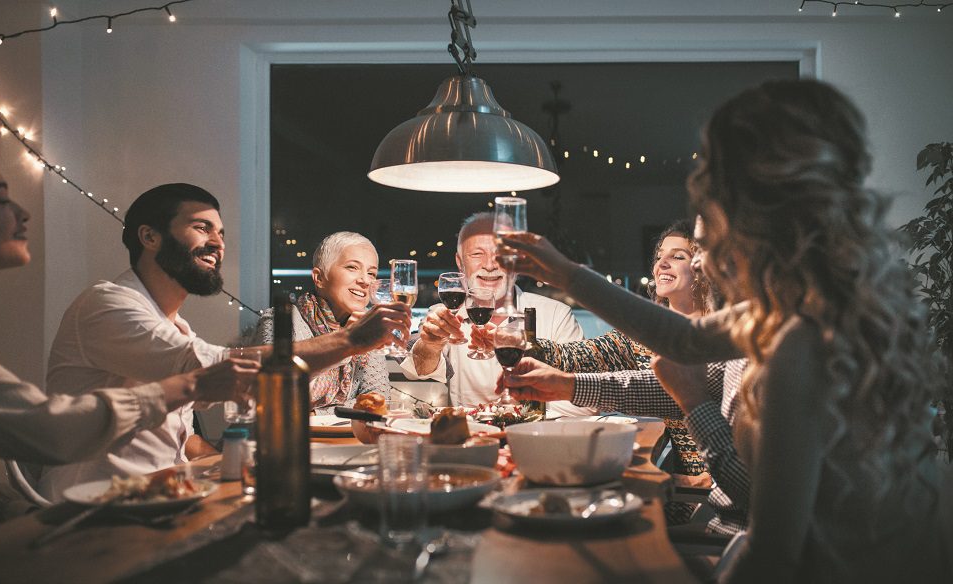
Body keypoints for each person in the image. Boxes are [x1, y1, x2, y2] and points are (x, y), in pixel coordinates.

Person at [500, 80, 948, 582]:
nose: (702, 188)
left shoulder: (801, 340)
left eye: (713, 175)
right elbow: (681, 345)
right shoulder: (786, 306)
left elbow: (774, 551)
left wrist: (694, 405)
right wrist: (566, 292)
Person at [0, 102, 256, 536]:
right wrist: (188, 386)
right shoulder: (107, 304)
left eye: (221, 232)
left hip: (133, 511)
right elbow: (46, 430)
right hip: (103, 514)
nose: (23, 213)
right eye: (1, 199)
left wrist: (16, 517)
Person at [39, 187, 410, 501]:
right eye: (202, 228)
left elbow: (192, 412)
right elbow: (214, 370)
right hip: (95, 509)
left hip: (164, 497)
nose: (217, 242)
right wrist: (351, 340)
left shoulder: (175, 325)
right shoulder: (107, 304)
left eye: (221, 233)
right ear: (149, 236)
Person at [498, 220, 750, 538]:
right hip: (723, 532)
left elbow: (757, 497)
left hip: (732, 543)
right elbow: (662, 384)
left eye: (704, 248)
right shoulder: (739, 330)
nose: (698, 262)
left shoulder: (769, 343)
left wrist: (694, 401)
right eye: (660, 255)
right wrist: (567, 385)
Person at [400, 212, 584, 415]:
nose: (489, 265)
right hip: (471, 440)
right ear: (460, 263)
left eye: (500, 254)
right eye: (477, 254)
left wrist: (515, 416)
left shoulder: (557, 315)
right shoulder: (444, 315)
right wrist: (430, 345)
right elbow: (420, 370)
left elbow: (585, 406)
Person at [254, 232, 388, 412]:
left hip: (347, 439)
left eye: (372, 273)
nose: (365, 280)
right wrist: (344, 343)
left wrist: (317, 413)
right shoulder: (278, 321)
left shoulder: (368, 330)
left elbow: (378, 400)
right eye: (352, 267)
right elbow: (275, 398)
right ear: (319, 278)